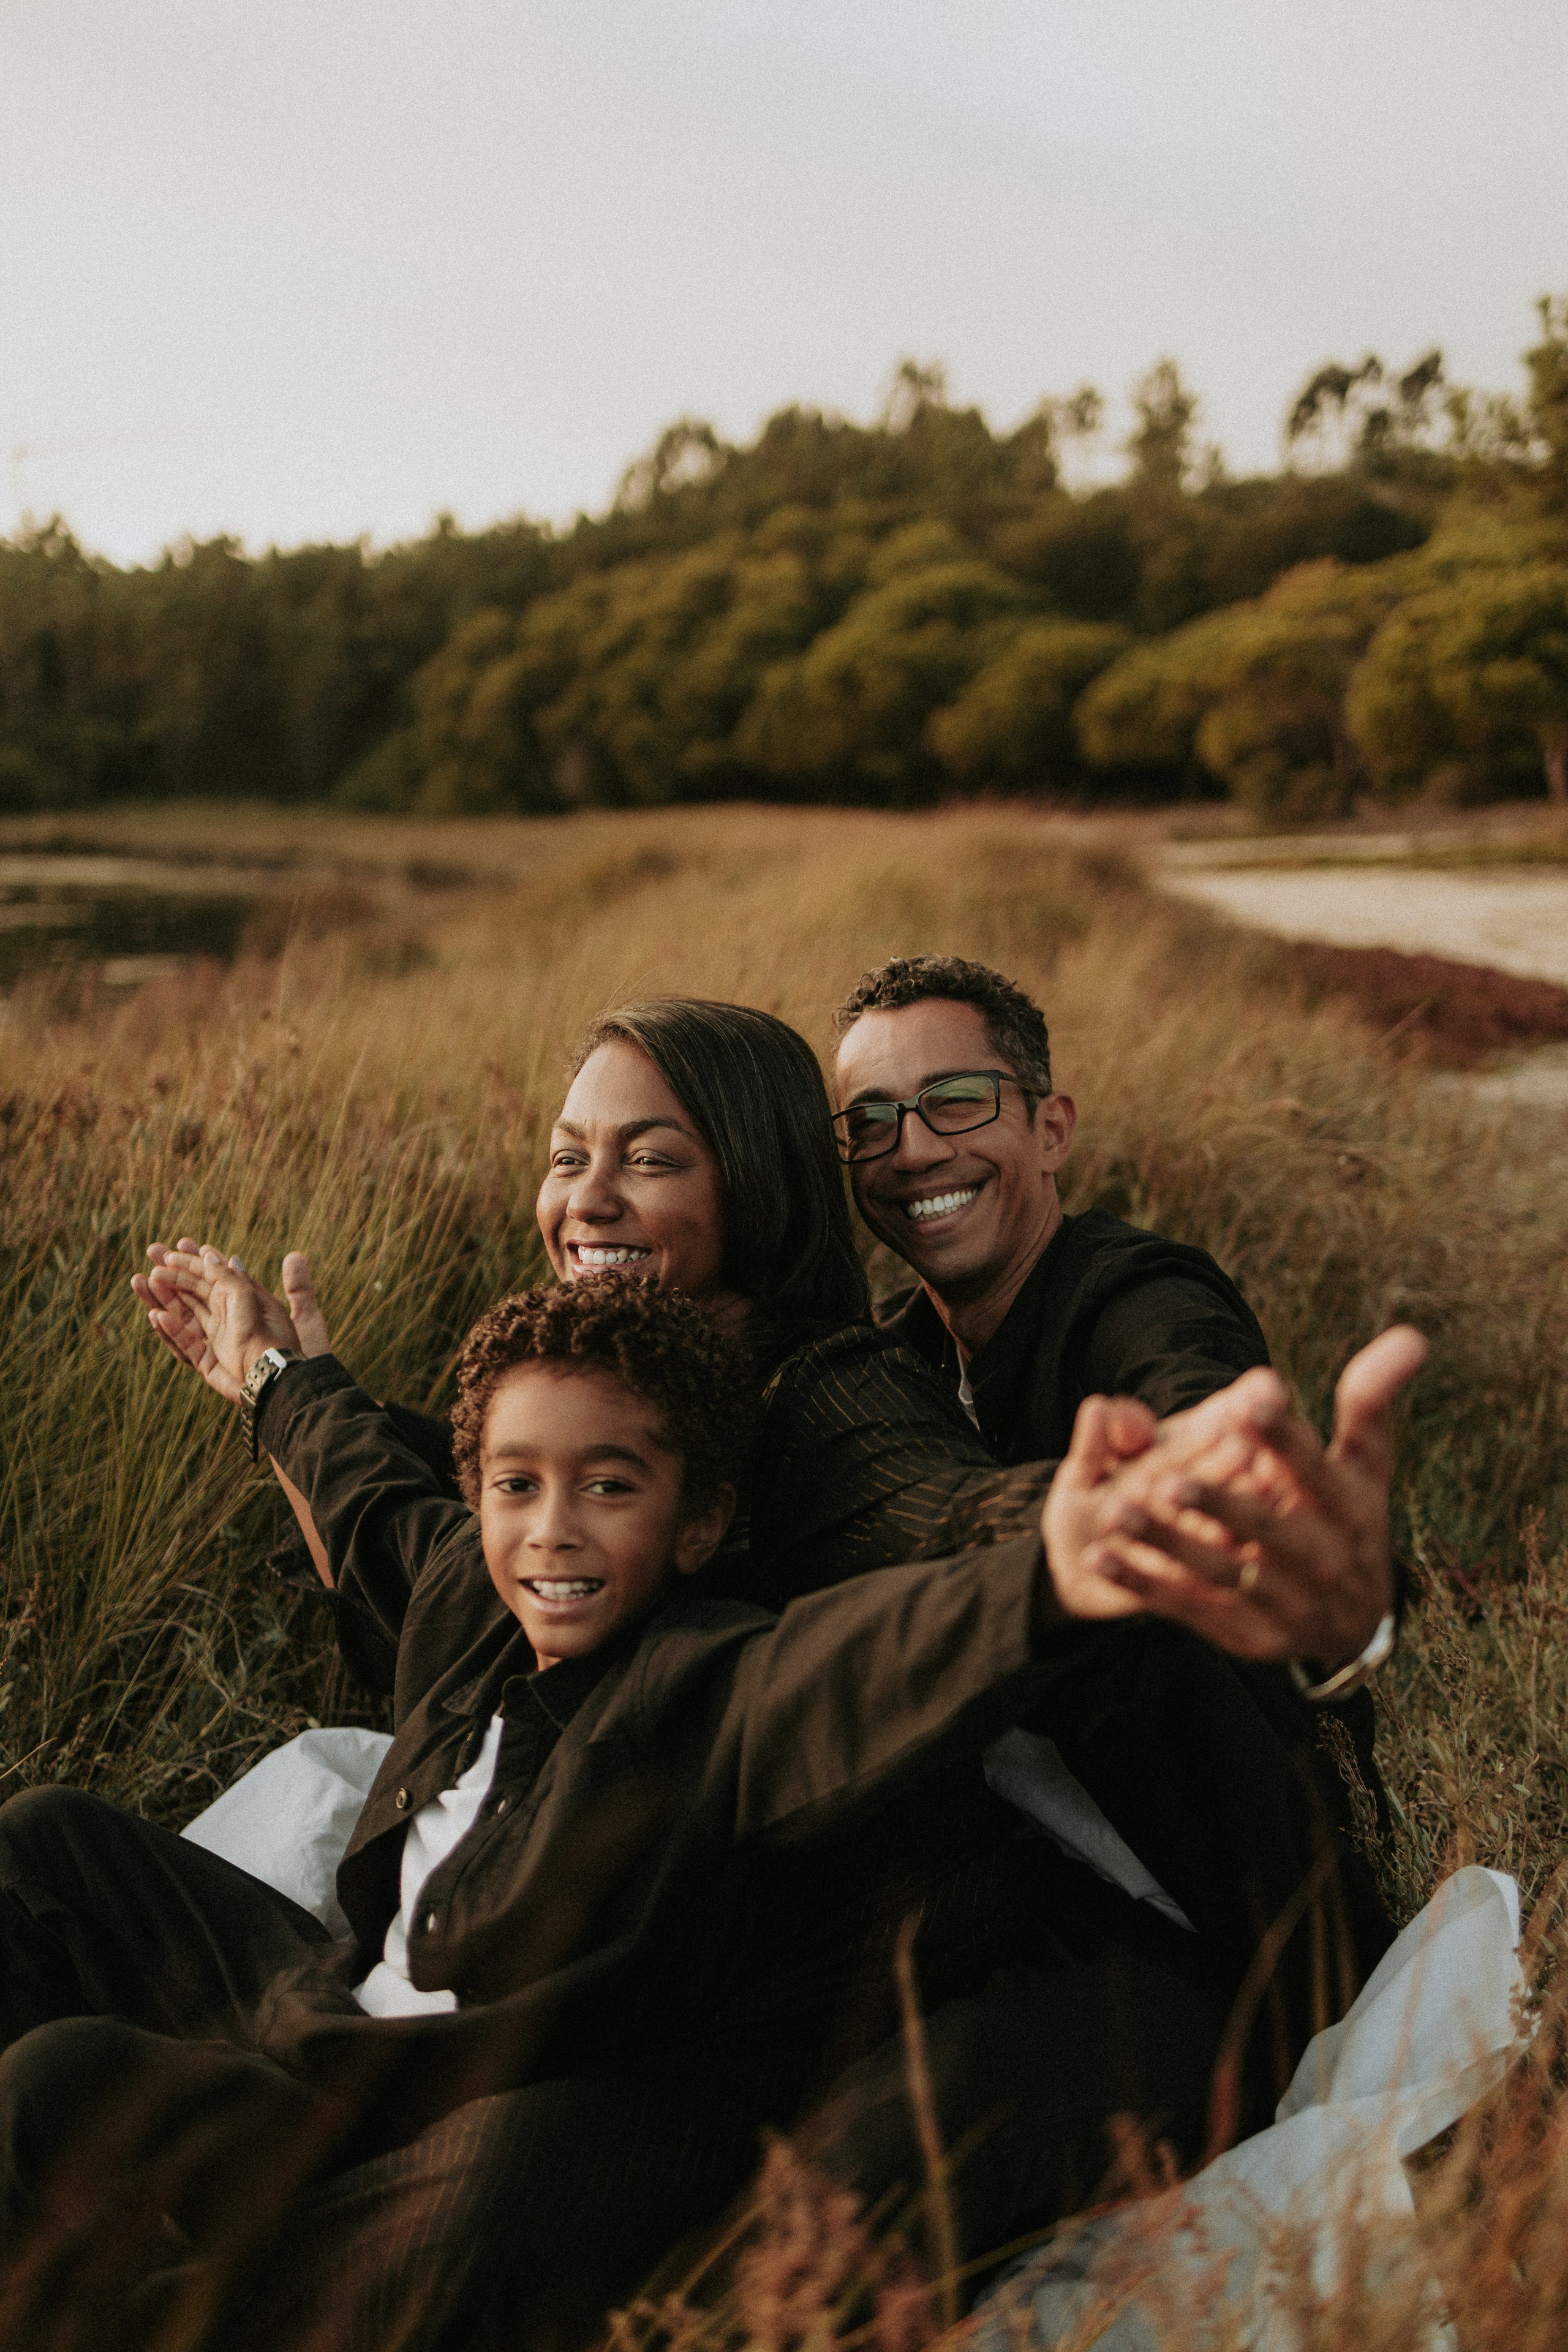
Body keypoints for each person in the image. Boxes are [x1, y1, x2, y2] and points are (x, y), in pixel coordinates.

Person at [0, 1276, 1286, 2352]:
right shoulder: (474, 1595)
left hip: (467, 2123)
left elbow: (860, 1664)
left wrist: (1051, 1574)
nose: (552, 1531)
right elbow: (370, 1496)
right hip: (327, 2046)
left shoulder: (714, 1680)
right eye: (516, 1485)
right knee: (49, 1921)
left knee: (437, 2234)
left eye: (608, 1487)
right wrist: (274, 1371)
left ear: (700, 1518)